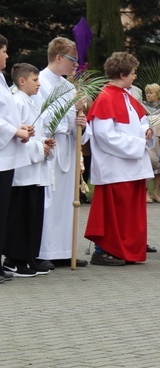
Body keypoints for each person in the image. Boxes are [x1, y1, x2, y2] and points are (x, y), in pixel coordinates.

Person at [84, 52, 155, 266]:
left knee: (127, 214)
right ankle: (104, 251)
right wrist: (138, 143)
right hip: (115, 167)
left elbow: (141, 121)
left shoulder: (127, 96)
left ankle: (125, 251)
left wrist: (147, 131)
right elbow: (105, 136)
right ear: (123, 73)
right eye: (133, 73)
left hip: (130, 165)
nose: (135, 77)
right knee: (114, 213)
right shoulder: (106, 97)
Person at [37, 36, 88, 269]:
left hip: (68, 147)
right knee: (49, 201)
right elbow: (42, 117)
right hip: (50, 149)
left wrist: (82, 121)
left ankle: (66, 250)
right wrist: (70, 118)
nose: (75, 65)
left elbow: (74, 121)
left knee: (68, 202)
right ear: (58, 57)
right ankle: (44, 251)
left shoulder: (69, 87)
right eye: (72, 60)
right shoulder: (39, 82)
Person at [3, 63, 55, 278]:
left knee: (33, 214)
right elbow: (17, 135)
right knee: (20, 215)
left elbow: (35, 131)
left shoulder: (32, 102)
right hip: (23, 169)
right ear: (22, 80)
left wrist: (46, 143)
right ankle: (15, 259)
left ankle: (28, 256)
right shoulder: (17, 101)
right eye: (35, 80)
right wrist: (38, 147)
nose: (39, 83)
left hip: (36, 167)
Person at [0, 46, 35, 283]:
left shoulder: (1, 79)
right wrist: (15, 131)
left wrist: (20, 128)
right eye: (3, 51)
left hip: (7, 156)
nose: (6, 56)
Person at [143, 82, 160, 204]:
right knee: (147, 165)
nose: (148, 95)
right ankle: (146, 192)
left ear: (158, 94)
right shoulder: (142, 106)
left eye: (151, 93)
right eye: (147, 93)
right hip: (147, 139)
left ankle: (156, 193)